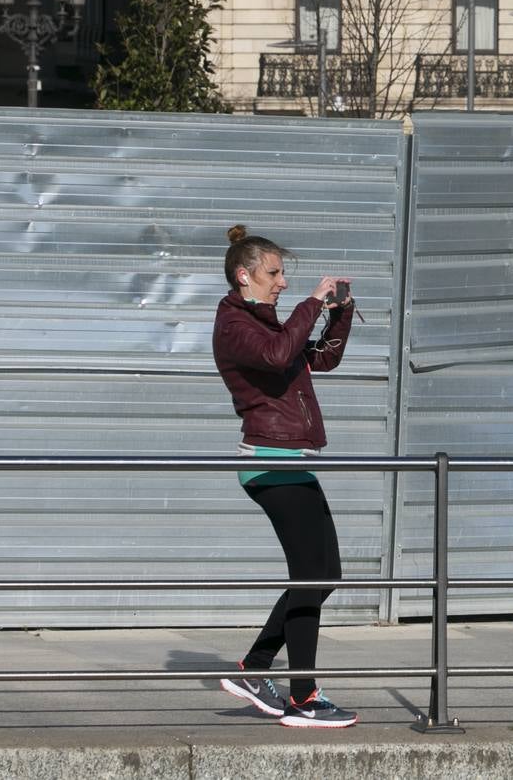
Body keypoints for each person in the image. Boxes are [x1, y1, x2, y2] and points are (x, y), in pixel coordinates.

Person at [211, 224, 358, 729]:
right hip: (268, 463)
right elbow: (277, 356)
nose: (282, 283)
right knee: (311, 576)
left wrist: (339, 314)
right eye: (273, 274)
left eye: (283, 275)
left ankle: (255, 668)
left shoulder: (271, 323)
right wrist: (313, 303)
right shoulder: (235, 325)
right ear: (243, 275)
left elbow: (321, 358)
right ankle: (303, 696)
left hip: (292, 463)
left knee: (326, 574)